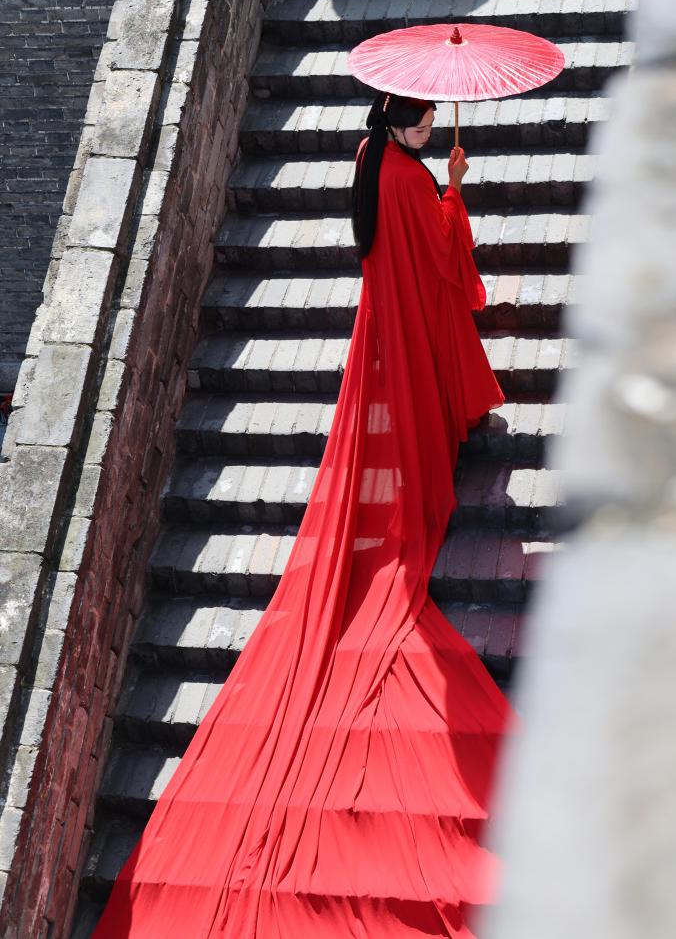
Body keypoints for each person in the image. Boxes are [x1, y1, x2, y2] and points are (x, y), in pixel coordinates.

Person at [92, 91, 513, 938]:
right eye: (425, 124)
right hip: (413, 304)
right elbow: (442, 257)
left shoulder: (367, 159)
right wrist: (455, 189)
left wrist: (436, 182)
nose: (432, 132)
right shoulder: (408, 176)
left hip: (383, 309)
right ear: (402, 124)